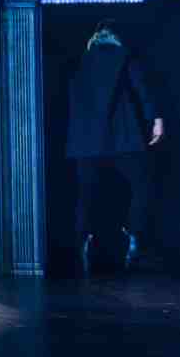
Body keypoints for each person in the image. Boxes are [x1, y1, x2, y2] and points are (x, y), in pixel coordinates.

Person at [65, 20, 163, 274]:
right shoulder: (124, 56)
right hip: (122, 137)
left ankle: (82, 240)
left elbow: (70, 98)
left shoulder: (79, 61)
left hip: (86, 140)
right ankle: (134, 233)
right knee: (142, 185)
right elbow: (141, 88)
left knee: (85, 194)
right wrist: (156, 119)